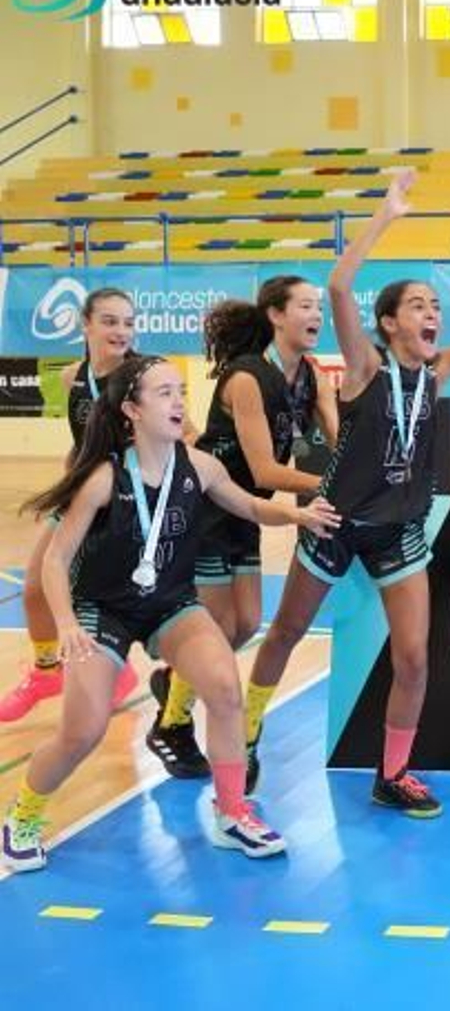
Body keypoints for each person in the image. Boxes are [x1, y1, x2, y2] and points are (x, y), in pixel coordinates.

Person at [239, 170, 450, 816]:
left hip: (399, 527)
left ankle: (392, 771)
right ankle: (248, 727)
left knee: (416, 657)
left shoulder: (440, 368)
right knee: (286, 629)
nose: (433, 313)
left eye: (435, 305)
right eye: (419, 305)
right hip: (335, 521)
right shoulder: (367, 369)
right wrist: (386, 213)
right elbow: (339, 285)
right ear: (390, 322)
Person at [0, 356, 339, 873]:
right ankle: (21, 818)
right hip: (103, 610)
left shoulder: (201, 467)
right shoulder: (102, 477)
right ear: (132, 410)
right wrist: (67, 623)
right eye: (164, 393)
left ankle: (232, 812)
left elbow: (249, 506)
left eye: (180, 391)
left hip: (170, 605)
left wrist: (296, 512)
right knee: (83, 730)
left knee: (225, 689)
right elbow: (54, 559)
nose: (179, 401)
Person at [143, 277, 338, 780]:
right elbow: (268, 470)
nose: (317, 314)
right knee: (218, 629)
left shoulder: (310, 376)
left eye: (319, 307)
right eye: (305, 306)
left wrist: (361, 467)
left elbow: (341, 440)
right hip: (206, 507)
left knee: (248, 623)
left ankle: (176, 680)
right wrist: (333, 485)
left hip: (244, 512)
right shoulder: (247, 378)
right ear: (276, 315)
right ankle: (172, 723)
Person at [1, 289, 142, 723]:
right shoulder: (72, 378)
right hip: (81, 496)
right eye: (110, 321)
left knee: (103, 596)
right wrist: (64, 487)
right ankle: (47, 671)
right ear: (86, 325)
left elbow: (184, 433)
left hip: (127, 501)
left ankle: (121, 672)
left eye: (127, 322)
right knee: (36, 588)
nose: (121, 330)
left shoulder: (144, 375)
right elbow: (82, 444)